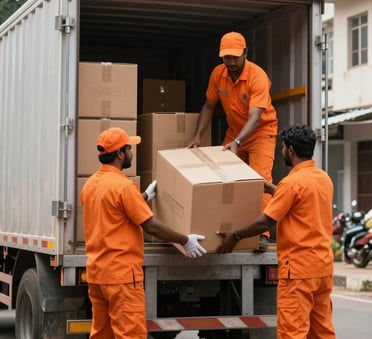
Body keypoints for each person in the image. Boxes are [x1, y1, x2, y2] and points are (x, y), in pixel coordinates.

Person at [81, 127, 207, 339]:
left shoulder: (90, 185)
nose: (132, 153)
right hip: (122, 277)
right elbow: (151, 226)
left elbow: (114, 211)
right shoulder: (123, 186)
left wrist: (144, 196)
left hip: (97, 275)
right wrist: (185, 240)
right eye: (129, 148)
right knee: (130, 334)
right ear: (120, 154)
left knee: (102, 334)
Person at [216, 124, 336, 338]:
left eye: (282, 147)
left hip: (298, 270)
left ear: (290, 150)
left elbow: (265, 222)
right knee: (322, 331)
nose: (281, 151)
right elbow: (299, 201)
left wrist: (235, 236)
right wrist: (270, 187)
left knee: (292, 332)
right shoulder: (323, 179)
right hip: (322, 268)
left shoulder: (291, 184)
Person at [188, 31, 278, 250]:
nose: (230, 62)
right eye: (226, 57)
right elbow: (209, 106)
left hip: (261, 133)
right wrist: (197, 136)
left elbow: (255, 117)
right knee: (225, 179)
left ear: (245, 53)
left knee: (260, 180)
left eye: (235, 57)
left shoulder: (257, 76)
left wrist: (237, 142)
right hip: (235, 132)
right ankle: (227, 228)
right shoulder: (218, 74)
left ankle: (262, 234)